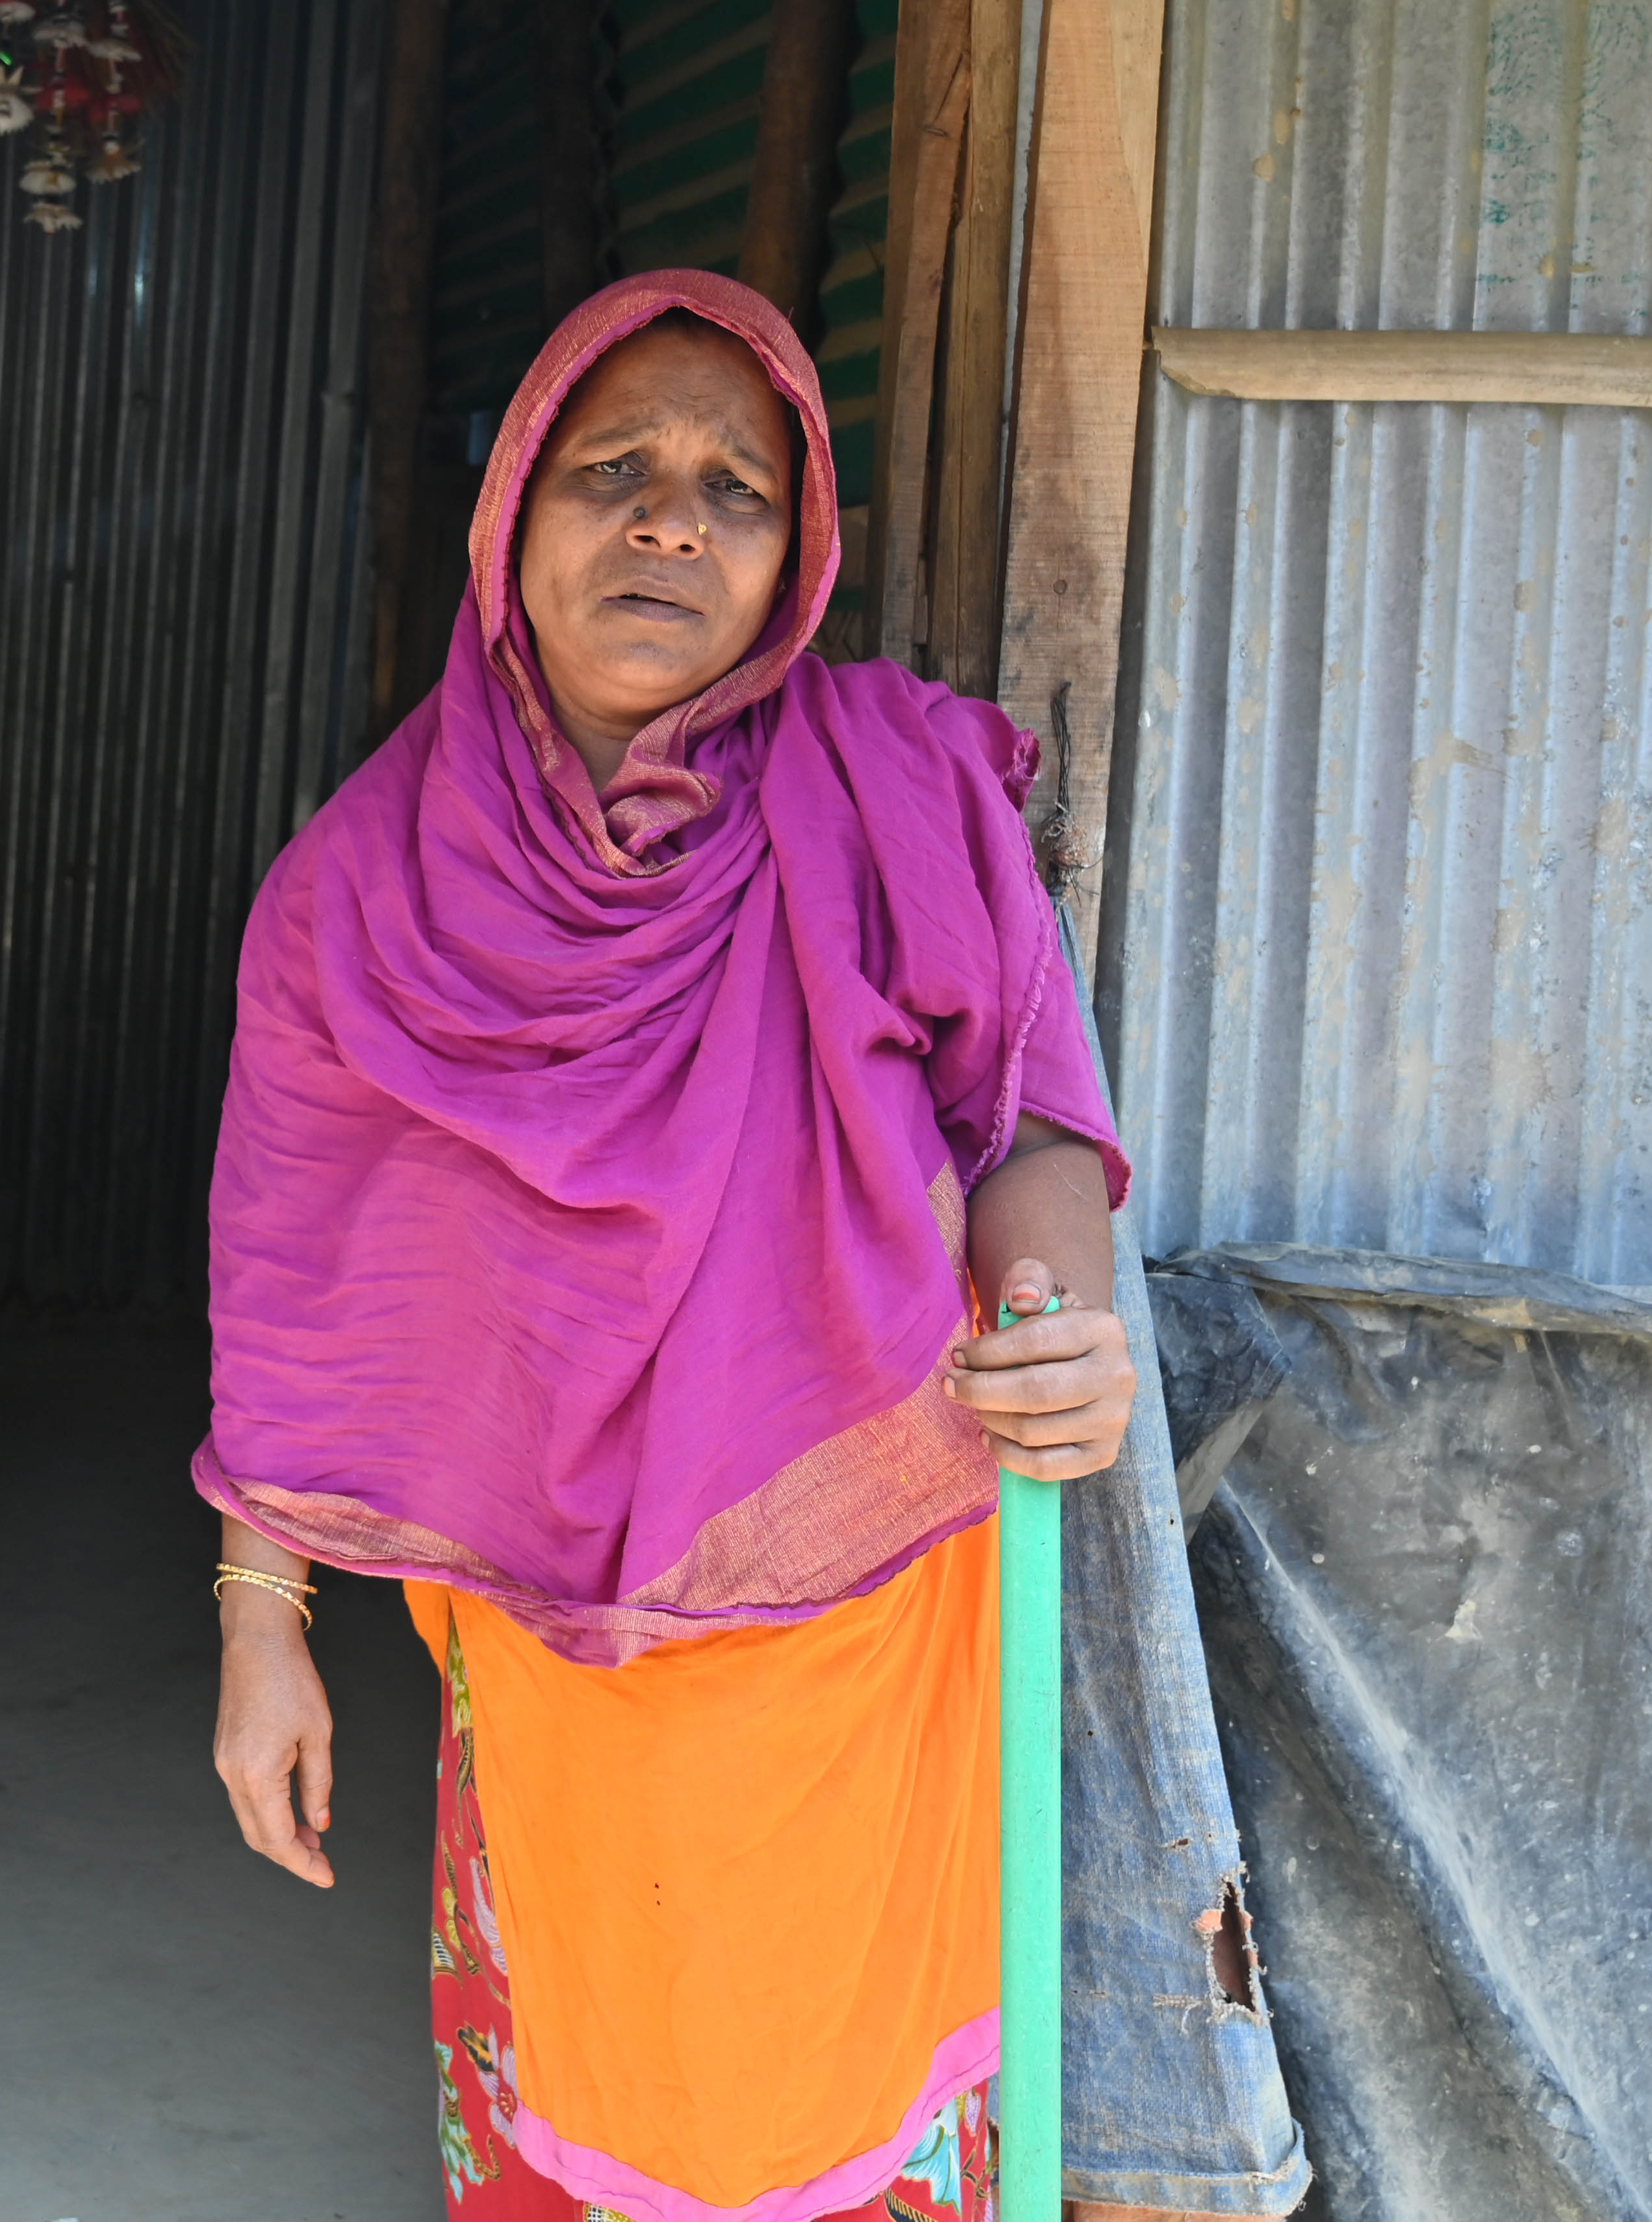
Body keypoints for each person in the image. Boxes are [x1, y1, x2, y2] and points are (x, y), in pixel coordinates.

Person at [200, 271, 1163, 2222]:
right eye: (616, 465)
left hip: (876, 1597)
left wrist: (1064, 1323)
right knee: (592, 2081)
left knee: (868, 2105)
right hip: (550, 1648)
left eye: (738, 488)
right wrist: (261, 1626)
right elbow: (300, 1278)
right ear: (513, 513)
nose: (671, 519)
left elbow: (1035, 1121)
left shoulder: (895, 791)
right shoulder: (359, 894)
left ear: (802, 557)